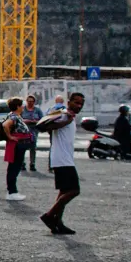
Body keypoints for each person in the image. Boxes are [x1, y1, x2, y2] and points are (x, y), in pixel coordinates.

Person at [40, 92, 85, 235]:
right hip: (62, 160)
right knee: (74, 190)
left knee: (64, 191)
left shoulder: (68, 116)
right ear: (69, 101)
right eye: (76, 102)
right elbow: (44, 126)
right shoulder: (64, 115)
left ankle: (57, 223)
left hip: (64, 158)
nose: (79, 106)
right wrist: (65, 121)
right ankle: (49, 216)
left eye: (81, 104)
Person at [0, 97, 32, 200]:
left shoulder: (15, 116)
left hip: (19, 145)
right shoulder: (14, 116)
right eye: (21, 105)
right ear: (17, 106)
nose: (23, 107)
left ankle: (12, 191)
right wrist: (10, 137)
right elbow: (5, 125)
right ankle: (12, 192)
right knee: (14, 168)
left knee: (14, 167)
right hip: (17, 145)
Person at [21, 93, 43, 171]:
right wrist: (26, 121)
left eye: (32, 101)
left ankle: (32, 163)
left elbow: (42, 119)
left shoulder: (37, 110)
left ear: (34, 102)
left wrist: (36, 121)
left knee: (33, 147)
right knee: (23, 147)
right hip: (24, 131)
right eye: (29, 101)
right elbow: (19, 119)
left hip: (34, 131)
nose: (30, 102)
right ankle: (22, 163)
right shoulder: (22, 109)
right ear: (26, 101)